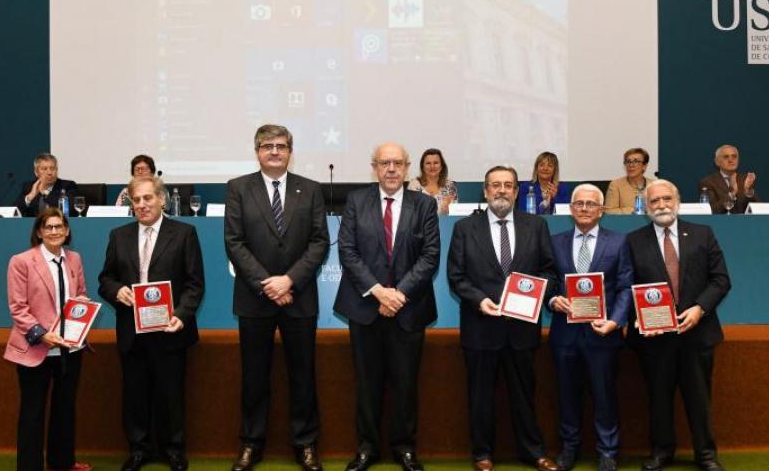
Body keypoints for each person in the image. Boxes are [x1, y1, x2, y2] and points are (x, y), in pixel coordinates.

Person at [224, 125, 330, 471]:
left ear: (290, 152)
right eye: (267, 145)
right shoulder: (238, 188)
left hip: (299, 297)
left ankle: (306, 443)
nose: (274, 151)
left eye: (281, 146)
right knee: (254, 376)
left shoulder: (310, 189)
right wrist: (266, 284)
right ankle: (251, 443)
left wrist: (289, 281)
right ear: (257, 151)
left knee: (303, 375)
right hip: (254, 298)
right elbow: (234, 242)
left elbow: (319, 241)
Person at [334, 142, 440, 471]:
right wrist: (380, 292)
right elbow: (347, 251)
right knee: (367, 384)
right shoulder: (356, 201)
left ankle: (404, 448)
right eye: (384, 163)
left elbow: (430, 256)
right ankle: (367, 448)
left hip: (409, 309)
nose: (391, 169)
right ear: (374, 168)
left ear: (407, 167)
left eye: (397, 163)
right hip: (365, 307)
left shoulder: (424, 204)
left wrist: (399, 294)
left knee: (406, 384)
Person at [447, 165, 559, 471]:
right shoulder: (464, 228)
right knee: (480, 396)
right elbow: (456, 277)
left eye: (508, 185)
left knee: (525, 395)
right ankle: (482, 454)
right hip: (481, 327)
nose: (501, 190)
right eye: (495, 185)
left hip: (522, 328)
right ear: (485, 191)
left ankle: (533, 452)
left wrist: (533, 294)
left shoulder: (536, 225)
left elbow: (549, 271)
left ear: (516, 192)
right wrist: (480, 300)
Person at [98, 176, 205, 471]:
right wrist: (116, 290)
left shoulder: (184, 233)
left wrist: (182, 315)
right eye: (137, 200)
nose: (142, 205)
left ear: (162, 200)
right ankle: (138, 449)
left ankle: (174, 450)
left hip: (170, 329)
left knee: (171, 394)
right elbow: (105, 279)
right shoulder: (118, 236)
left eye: (147, 198)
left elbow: (195, 284)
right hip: (131, 330)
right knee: (135, 394)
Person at [626, 179, 731, 471]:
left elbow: (720, 280)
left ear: (678, 201)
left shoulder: (702, 234)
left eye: (666, 199)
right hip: (655, 338)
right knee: (658, 398)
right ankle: (661, 452)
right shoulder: (633, 241)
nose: (661, 205)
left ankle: (706, 454)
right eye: (654, 201)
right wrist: (638, 316)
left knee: (699, 399)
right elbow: (626, 285)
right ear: (646, 207)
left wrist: (700, 309)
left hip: (697, 333)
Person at [547, 184, 633, 471]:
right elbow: (548, 282)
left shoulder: (619, 242)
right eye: (579, 204)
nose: (584, 208)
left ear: (602, 210)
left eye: (591, 204)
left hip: (602, 333)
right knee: (566, 394)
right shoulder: (555, 242)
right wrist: (552, 300)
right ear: (571, 209)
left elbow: (625, 286)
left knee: (604, 393)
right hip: (565, 334)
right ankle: (569, 448)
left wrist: (615, 321)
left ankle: (607, 450)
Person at [4, 208, 92, 471]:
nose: (54, 231)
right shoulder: (21, 261)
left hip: (69, 348)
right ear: (40, 232)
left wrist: (82, 308)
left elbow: (81, 294)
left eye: (59, 226)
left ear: (67, 231)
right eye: (49, 227)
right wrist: (42, 334)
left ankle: (62, 462)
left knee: (65, 408)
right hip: (36, 349)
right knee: (32, 413)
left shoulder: (74, 258)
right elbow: (18, 308)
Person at [698, 145, 758, 214]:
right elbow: (712, 210)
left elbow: (758, 209)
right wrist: (732, 193)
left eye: (734, 156)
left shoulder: (745, 180)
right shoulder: (708, 182)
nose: (731, 160)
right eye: (726, 157)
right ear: (717, 162)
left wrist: (748, 191)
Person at [407, 148, 458, 215]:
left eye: (436, 163)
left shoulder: (450, 186)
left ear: (441, 166)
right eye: (428, 163)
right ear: (423, 167)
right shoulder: (414, 185)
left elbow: (455, 214)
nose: (432, 166)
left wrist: (447, 210)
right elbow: (411, 213)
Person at [604, 148, 652, 214]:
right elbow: (609, 211)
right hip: (625, 220)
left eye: (636, 161)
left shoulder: (654, 185)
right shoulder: (616, 185)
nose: (631, 165)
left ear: (644, 166)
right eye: (628, 162)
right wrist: (632, 210)